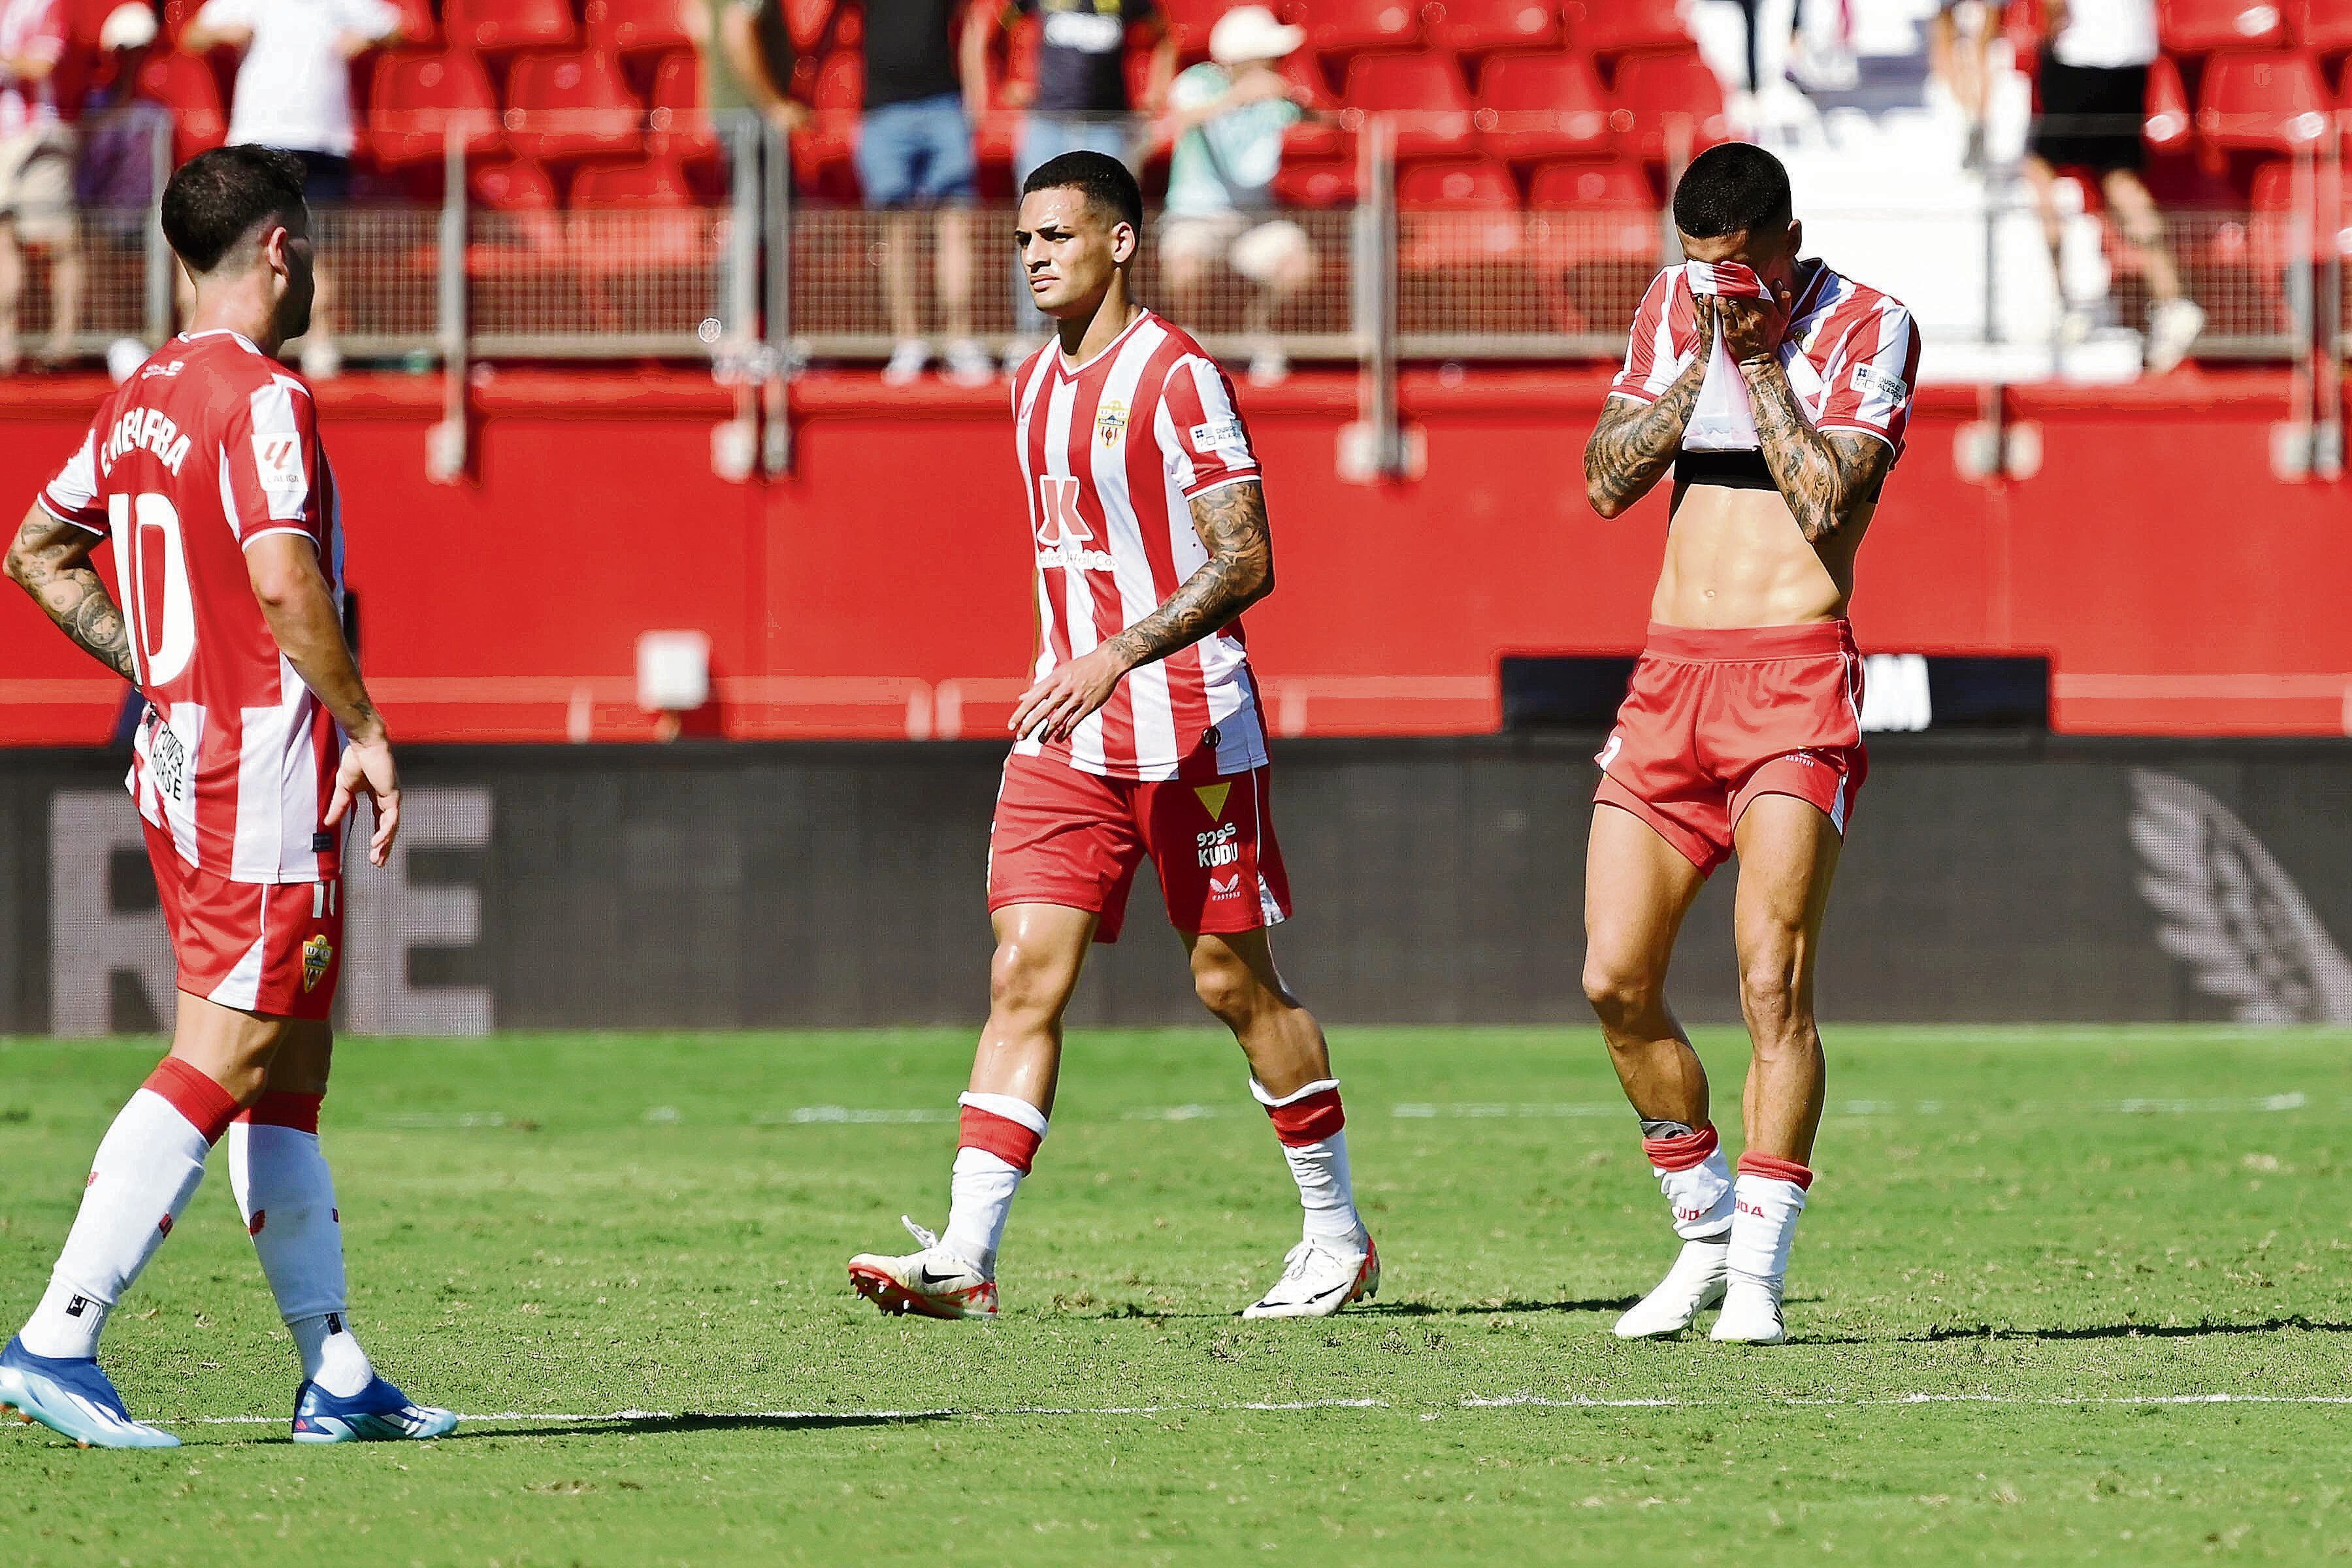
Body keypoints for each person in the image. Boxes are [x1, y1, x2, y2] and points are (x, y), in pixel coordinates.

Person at [848, 151, 1377, 1323]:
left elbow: (1249, 560)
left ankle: (1337, 1237)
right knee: (1023, 971)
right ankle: (967, 1256)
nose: (1036, 256)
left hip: (1189, 730)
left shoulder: (1178, 378)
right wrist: (1074, 668)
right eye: (1024, 240)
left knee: (1234, 983)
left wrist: (1116, 655)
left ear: (1123, 242)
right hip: (1064, 730)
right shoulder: (1032, 384)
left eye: (1059, 237)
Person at [0, 146, 451, 1448]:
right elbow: (281, 580)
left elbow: (36, 551)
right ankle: (57, 1335)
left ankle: (338, 1377)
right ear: (278, 248)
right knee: (233, 1051)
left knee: (286, 1075)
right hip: (254, 772)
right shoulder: (261, 399)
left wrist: (157, 656)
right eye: (305, 245)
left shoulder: (137, 395)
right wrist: (364, 724)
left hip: (183, 755)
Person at [1580, 142, 1919, 1347]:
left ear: (1783, 242)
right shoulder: (1676, 307)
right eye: (1698, 264)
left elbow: (1828, 499)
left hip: (1792, 677)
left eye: (1735, 265)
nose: (1715, 282)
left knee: (1772, 982)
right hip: (1671, 674)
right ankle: (1704, 1230)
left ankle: (1762, 1281)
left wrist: (1764, 358)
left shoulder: (1871, 325)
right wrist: (1703, 361)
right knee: (1614, 979)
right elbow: (1607, 483)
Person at [179, 0, 406, 380]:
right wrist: (221, 33)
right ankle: (233, 341)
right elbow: (191, 37)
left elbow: (397, 29)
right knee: (245, 243)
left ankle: (321, 340)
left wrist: (366, 40)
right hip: (257, 137)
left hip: (323, 140)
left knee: (320, 245)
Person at [967, 0, 1175, 366]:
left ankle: (1115, 334)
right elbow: (991, 31)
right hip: (1048, 123)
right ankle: (1031, 336)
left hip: (1109, 125)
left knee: (1115, 233)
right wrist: (1005, 83)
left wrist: (1156, 93)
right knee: (1036, 229)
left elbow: (1164, 35)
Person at [2020, 0, 2203, 372]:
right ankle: (2174, 301)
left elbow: (2055, 9)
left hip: (2080, 53)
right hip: (2133, 54)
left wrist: (2047, 37)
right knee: (2119, 174)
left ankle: (2062, 300)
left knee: (2040, 169)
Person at [1159, 6, 1315, 386]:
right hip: (1195, 217)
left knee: (1297, 265)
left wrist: (1300, 104)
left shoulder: (1276, 95)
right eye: (1270, 55)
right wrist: (1239, 98)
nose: (1279, 62)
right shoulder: (1198, 82)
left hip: (1254, 220)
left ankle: (1258, 336)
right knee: (1184, 264)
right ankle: (1191, 343)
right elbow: (1175, 122)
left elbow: (1319, 123)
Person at [863, 0, 988, 385]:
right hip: (883, 110)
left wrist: (976, 91)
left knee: (957, 227)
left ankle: (960, 341)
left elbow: (971, 23)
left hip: (944, 106)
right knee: (897, 234)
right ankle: (909, 342)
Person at [0, 0, 83, 372]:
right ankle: (5, 347)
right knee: (3, 246)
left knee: (58, 244)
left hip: (38, 139)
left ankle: (63, 342)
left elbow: (42, 63)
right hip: (4, 142)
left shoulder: (46, 5)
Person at [683, 0, 805, 139]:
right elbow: (738, 30)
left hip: (724, 116)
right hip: (754, 121)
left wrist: (705, 110)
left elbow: (700, 28)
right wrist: (774, 106)